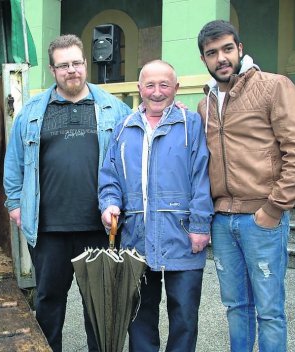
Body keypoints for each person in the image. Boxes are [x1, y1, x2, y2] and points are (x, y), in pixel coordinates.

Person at [3, 34, 132, 352]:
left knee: (100, 308)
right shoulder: (32, 112)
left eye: (76, 63)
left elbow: (136, 150)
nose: (71, 70)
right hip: (48, 230)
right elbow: (15, 163)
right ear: (52, 70)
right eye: (63, 65)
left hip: (100, 227)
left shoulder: (115, 110)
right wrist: (16, 205)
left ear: (85, 64)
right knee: (48, 304)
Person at [196, 20, 295, 351]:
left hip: (261, 217)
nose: (221, 58)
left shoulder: (274, 87)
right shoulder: (205, 105)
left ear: (240, 49)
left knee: (270, 312)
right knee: (236, 309)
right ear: (204, 59)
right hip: (222, 221)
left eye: (227, 49)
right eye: (212, 53)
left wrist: (274, 208)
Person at [99, 60, 214, 352]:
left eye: (164, 85)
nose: (157, 92)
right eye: (150, 85)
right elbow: (110, 176)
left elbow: (201, 177)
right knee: (139, 315)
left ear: (176, 88)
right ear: (140, 88)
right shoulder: (124, 128)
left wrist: (201, 226)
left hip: (182, 235)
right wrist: (110, 204)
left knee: (184, 316)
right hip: (136, 237)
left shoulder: (190, 125)